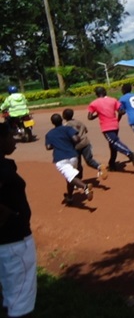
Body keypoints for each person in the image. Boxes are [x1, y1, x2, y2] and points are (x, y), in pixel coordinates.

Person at [0, 121, 37, 318]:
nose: (14, 140)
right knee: (20, 305)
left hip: (8, 243)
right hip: (13, 244)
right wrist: (11, 216)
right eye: (10, 136)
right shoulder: (2, 169)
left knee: (8, 299)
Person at [45, 113, 94, 204]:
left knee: (71, 177)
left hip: (61, 158)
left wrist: (56, 144)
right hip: (73, 156)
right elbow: (76, 139)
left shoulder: (49, 134)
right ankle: (70, 197)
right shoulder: (68, 129)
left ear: (52, 123)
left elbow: (48, 147)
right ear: (61, 120)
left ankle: (85, 187)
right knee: (70, 177)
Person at [88, 86, 134, 170]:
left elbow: (89, 117)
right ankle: (112, 163)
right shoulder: (113, 100)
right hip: (115, 125)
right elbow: (121, 111)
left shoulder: (94, 103)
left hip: (106, 127)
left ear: (96, 94)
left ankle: (129, 154)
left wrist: (98, 115)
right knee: (113, 144)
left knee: (114, 142)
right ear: (105, 92)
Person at [62, 108, 108, 181]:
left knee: (77, 164)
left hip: (75, 146)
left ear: (63, 116)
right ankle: (99, 166)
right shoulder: (79, 122)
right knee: (89, 160)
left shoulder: (66, 125)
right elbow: (86, 130)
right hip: (85, 143)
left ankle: (78, 179)